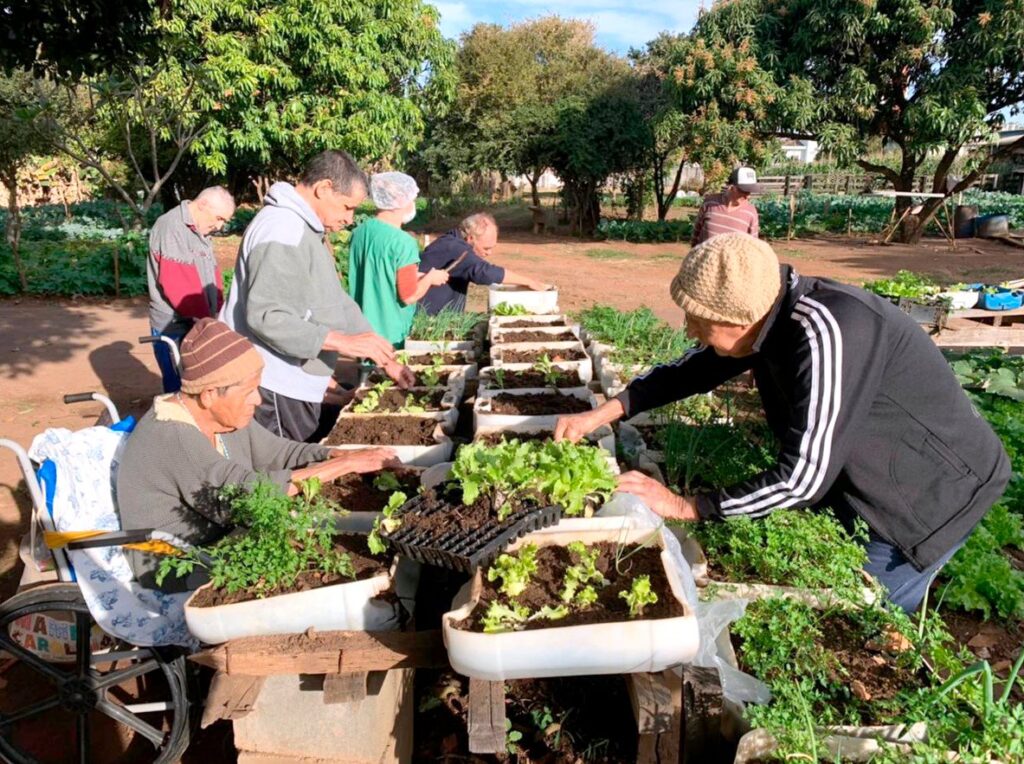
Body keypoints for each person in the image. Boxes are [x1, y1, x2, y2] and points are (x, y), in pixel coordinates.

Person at [555, 233, 1010, 613]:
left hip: (926, 497)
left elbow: (800, 479)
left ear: (741, 319)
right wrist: (602, 413)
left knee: (861, 617)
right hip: (865, 472)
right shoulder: (768, 316)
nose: (690, 329)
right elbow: (692, 369)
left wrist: (687, 506)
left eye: (698, 320)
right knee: (831, 582)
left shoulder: (828, 331)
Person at [117, 318, 398, 591]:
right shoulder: (173, 436)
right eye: (249, 391)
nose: (258, 400)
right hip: (180, 563)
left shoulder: (223, 417)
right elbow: (245, 496)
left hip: (226, 538)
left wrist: (336, 454)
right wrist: (344, 464)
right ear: (209, 394)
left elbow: (280, 452)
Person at [221, 150, 414, 443]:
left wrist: (383, 357)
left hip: (294, 378)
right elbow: (269, 318)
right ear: (324, 188)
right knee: (288, 468)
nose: (350, 218)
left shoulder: (305, 229)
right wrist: (344, 342)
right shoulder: (282, 229)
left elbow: (335, 301)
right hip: (275, 384)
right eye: (347, 207)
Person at [147, 186, 236, 392]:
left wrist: (219, 311)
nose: (220, 225)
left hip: (199, 321)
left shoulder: (201, 230)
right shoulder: (171, 226)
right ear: (203, 204)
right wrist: (208, 322)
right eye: (219, 218)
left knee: (199, 383)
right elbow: (177, 284)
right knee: (179, 386)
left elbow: (213, 276)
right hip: (174, 326)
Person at [348, 172, 449, 347]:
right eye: (412, 199)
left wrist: (417, 275)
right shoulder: (403, 243)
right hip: (391, 334)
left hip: (362, 329)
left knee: (367, 373)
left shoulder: (360, 232)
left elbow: (379, 272)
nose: (413, 204)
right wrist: (430, 278)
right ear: (399, 200)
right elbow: (409, 295)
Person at [417, 212, 549, 315]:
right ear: (470, 238)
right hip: (425, 317)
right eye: (486, 248)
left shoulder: (452, 240)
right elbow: (484, 272)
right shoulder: (455, 248)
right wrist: (530, 282)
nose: (489, 253)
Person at [690, 166, 761, 245]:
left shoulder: (751, 212)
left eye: (750, 192)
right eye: (744, 191)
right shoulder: (709, 203)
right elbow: (696, 233)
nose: (748, 196)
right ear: (731, 187)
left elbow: (753, 246)